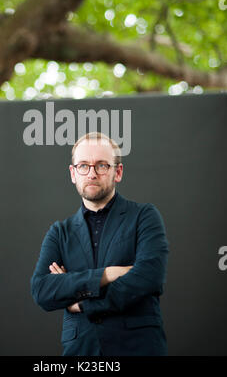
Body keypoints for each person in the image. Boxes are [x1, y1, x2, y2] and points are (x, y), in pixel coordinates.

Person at [31, 132, 169, 356]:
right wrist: (108, 274)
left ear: (118, 172)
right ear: (73, 173)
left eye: (102, 165)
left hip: (138, 347)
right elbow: (42, 290)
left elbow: (149, 277)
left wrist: (84, 302)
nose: (92, 173)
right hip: (81, 351)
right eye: (83, 165)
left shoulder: (144, 216)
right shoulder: (59, 232)